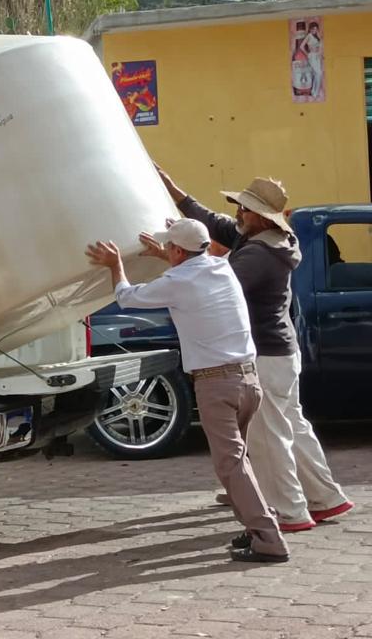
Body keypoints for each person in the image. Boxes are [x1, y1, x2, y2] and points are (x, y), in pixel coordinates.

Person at [156, 169, 354, 531]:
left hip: (264, 354)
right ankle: (326, 498)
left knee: (268, 437)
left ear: (260, 217)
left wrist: (175, 259)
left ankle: (288, 512)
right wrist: (178, 195)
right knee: (291, 425)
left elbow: (217, 286)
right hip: (279, 351)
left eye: (244, 209)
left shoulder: (259, 253)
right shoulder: (268, 239)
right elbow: (216, 224)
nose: (236, 213)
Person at [86, 219, 289, 563]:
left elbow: (126, 297)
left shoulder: (177, 281)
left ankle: (268, 537)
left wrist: (115, 264)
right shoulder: (222, 268)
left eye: (169, 248)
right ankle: (256, 528)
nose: (165, 251)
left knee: (231, 466)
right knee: (238, 463)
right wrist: (168, 256)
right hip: (249, 382)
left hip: (216, 384)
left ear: (179, 251)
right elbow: (190, 274)